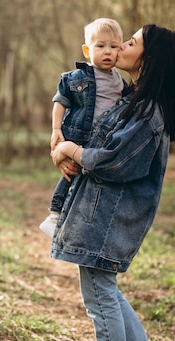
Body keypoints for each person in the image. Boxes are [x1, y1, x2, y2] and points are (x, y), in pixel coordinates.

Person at [49, 24, 175, 341]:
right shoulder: (132, 99)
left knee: (99, 296)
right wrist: (63, 148)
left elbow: (114, 162)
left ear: (148, 57)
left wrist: (74, 151)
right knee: (106, 289)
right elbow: (89, 138)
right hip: (100, 209)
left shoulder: (148, 111)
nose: (122, 47)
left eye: (131, 42)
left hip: (108, 216)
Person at [39, 18, 125, 237]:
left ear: (121, 49)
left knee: (85, 181)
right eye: (101, 46)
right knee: (70, 174)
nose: (108, 52)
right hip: (79, 135)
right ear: (87, 50)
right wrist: (56, 129)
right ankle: (54, 215)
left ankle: (69, 219)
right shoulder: (78, 77)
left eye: (113, 46)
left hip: (101, 140)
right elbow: (61, 101)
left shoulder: (120, 82)